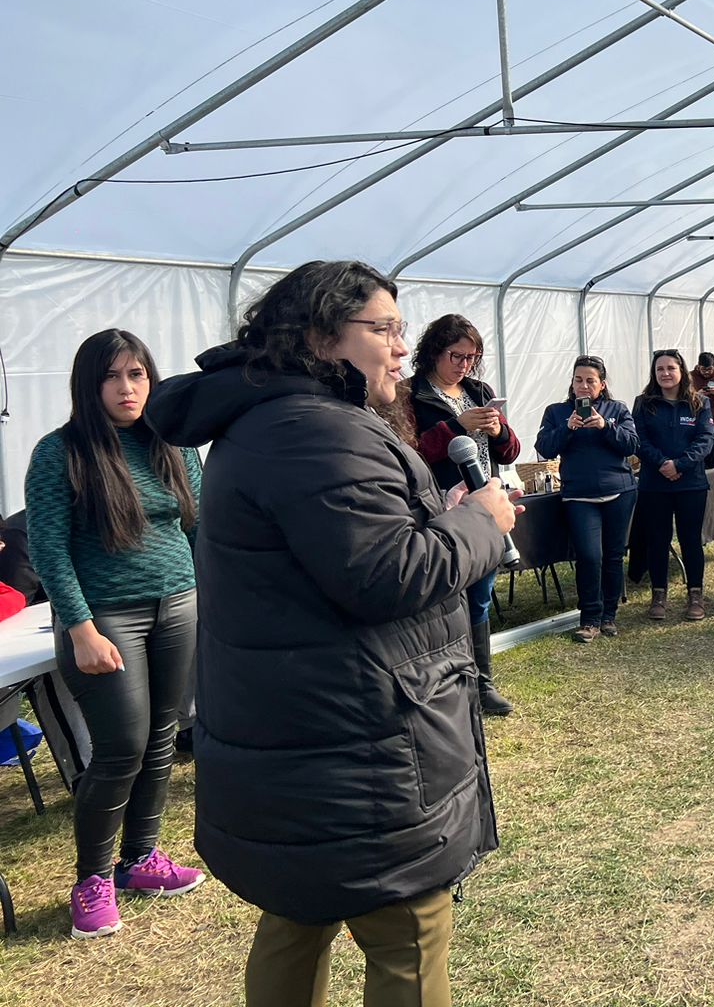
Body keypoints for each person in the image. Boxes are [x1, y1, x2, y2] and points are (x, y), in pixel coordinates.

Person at [144, 260, 515, 1004]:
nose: (401, 349)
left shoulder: (274, 420)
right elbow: (387, 573)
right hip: (355, 749)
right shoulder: (314, 431)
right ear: (319, 337)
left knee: (296, 917)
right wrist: (483, 521)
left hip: (303, 735)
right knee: (410, 934)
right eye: (384, 330)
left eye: (401, 330)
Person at [25, 329, 206, 940]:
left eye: (138, 374)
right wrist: (79, 627)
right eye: (113, 377)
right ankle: (92, 879)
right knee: (121, 747)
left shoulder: (173, 445)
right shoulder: (61, 452)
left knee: (161, 737)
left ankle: (139, 860)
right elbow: (48, 549)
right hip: (106, 618)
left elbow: (198, 525)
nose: (128, 389)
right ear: (89, 384)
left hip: (178, 604)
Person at [402, 314, 522, 716]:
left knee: (480, 596)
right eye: (457, 355)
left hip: (484, 502)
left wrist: (497, 430)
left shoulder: (478, 390)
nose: (464, 365)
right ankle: (450, 684)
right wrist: (456, 426)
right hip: (440, 510)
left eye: (472, 357)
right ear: (434, 351)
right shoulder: (411, 395)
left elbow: (510, 453)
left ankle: (482, 684)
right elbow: (410, 452)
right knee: (446, 597)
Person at [536, 356, 640, 642]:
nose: (583, 386)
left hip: (619, 491)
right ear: (571, 382)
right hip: (579, 496)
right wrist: (567, 428)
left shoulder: (616, 409)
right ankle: (589, 618)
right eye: (578, 379)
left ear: (602, 385)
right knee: (589, 556)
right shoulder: (557, 412)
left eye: (590, 380)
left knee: (613, 556)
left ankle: (609, 616)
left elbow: (632, 445)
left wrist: (606, 426)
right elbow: (544, 448)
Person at [632, 349, 714, 622]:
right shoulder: (643, 403)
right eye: (660, 369)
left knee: (691, 539)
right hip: (654, 485)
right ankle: (659, 594)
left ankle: (695, 594)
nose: (666, 373)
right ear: (654, 374)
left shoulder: (698, 402)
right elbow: (639, 441)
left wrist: (679, 464)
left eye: (671, 368)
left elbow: (706, 439)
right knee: (657, 539)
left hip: (690, 483)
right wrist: (662, 464)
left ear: (682, 371)